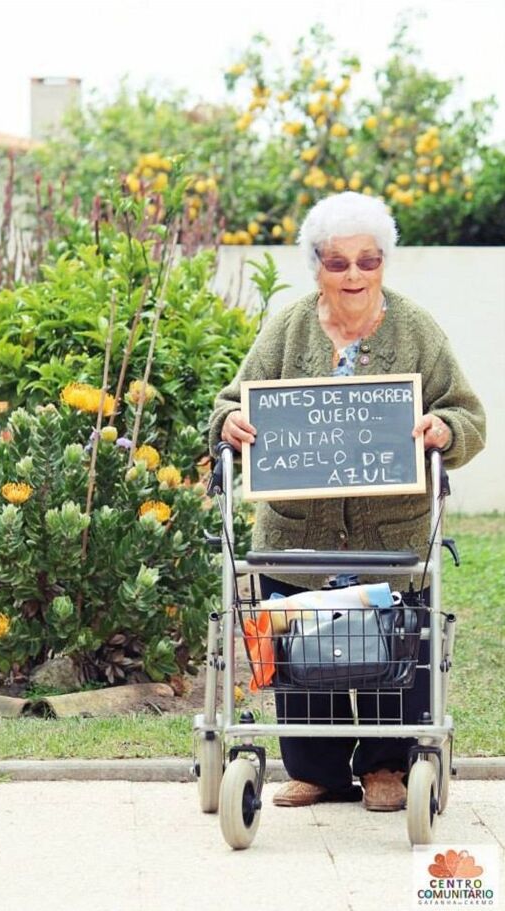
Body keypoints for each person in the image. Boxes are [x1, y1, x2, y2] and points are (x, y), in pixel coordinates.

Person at [209, 191, 486, 811]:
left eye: (368, 261)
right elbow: (231, 401)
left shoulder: (416, 330)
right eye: (338, 263)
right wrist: (229, 422)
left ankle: (387, 767)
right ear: (317, 268)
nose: (354, 274)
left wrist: (443, 429)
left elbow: (468, 414)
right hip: (296, 533)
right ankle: (317, 770)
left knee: (394, 655)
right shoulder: (288, 327)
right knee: (306, 653)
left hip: (391, 535)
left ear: (384, 263)